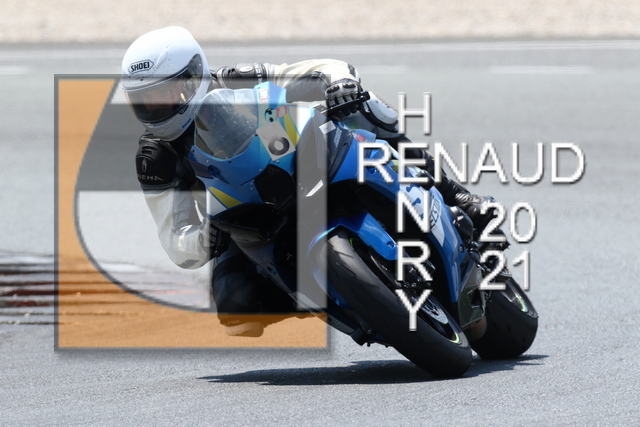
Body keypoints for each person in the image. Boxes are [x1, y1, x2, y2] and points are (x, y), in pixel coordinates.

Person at [121, 26, 492, 337]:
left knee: (365, 108)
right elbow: (175, 238)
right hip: (244, 215)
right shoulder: (156, 157)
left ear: (192, 78)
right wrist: (204, 239)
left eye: (161, 95)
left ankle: (454, 193)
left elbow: (317, 70)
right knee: (237, 308)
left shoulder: (234, 79)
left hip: (299, 157)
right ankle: (344, 300)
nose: (153, 108)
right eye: (144, 100)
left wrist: (340, 83)